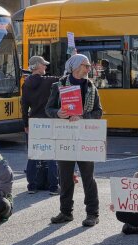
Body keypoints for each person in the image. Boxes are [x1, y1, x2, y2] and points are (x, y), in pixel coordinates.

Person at [46, 53, 103, 227]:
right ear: (76, 66)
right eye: (86, 65)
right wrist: (58, 113)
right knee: (65, 177)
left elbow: (98, 112)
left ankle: (92, 214)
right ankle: (65, 212)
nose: (88, 68)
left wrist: (83, 116)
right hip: (65, 136)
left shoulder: (92, 87)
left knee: (88, 177)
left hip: (85, 136)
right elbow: (48, 108)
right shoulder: (59, 85)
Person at [21, 56, 59, 195]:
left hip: (33, 122)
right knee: (51, 155)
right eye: (44, 65)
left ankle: (32, 186)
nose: (45, 67)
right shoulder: (48, 81)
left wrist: (26, 124)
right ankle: (54, 187)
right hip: (47, 121)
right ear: (37, 66)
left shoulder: (25, 84)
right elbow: (64, 78)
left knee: (33, 155)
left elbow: (24, 106)